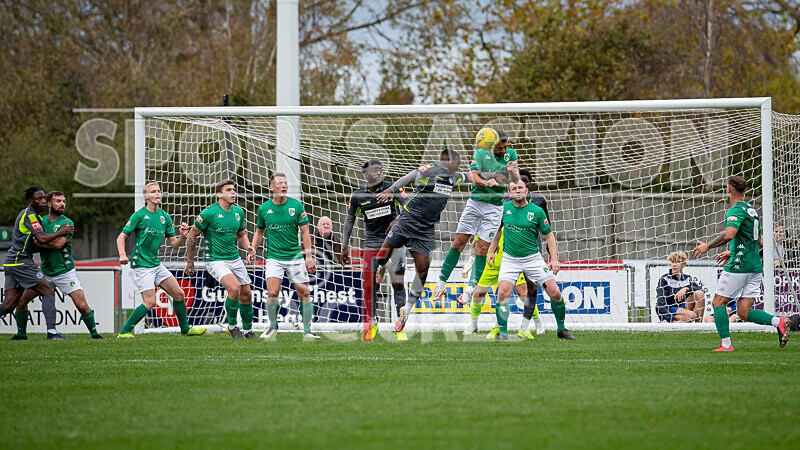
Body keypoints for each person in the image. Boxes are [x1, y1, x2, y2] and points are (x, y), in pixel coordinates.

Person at [374, 149, 470, 333]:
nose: (459, 166)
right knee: (381, 257)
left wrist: (490, 176)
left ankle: (406, 311)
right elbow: (408, 177)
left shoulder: (454, 177)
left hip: (426, 229)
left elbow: (469, 177)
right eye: (457, 163)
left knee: (423, 270)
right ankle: (383, 265)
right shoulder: (430, 170)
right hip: (408, 219)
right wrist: (391, 189)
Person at [692, 176, 791, 351]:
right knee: (744, 311)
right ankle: (779, 321)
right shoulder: (752, 210)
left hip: (739, 266)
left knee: (718, 303)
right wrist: (733, 250)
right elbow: (758, 240)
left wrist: (707, 246)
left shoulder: (735, 210)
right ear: (744, 191)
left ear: (728, 190)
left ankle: (726, 345)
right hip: (754, 266)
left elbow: (730, 234)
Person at [433, 128, 519, 305]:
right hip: (475, 203)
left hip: (495, 208)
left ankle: (469, 291)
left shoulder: (511, 154)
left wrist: (512, 170)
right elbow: (473, 175)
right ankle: (441, 283)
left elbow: (516, 180)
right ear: (491, 145)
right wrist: (486, 182)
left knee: (482, 249)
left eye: (506, 147)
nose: (503, 151)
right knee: (459, 242)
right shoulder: (480, 153)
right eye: (500, 148)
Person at [487, 180, 574, 340]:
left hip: (533, 259)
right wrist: (491, 251)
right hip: (510, 259)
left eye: (520, 188)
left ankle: (561, 329)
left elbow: (549, 235)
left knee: (554, 293)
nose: (517, 190)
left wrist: (554, 259)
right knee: (503, 293)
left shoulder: (537, 211)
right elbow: (496, 231)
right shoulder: (503, 209)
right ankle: (504, 333)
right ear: (510, 192)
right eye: (514, 188)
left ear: (526, 190)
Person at [117, 182, 206, 338]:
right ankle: (124, 332)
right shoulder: (139, 215)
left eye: (159, 191)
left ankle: (185, 330)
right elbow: (121, 237)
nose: (157, 194)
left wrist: (182, 236)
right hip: (142, 265)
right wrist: (122, 254)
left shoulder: (165, 217)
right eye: (153, 191)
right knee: (150, 302)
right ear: (146, 197)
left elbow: (174, 244)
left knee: (178, 294)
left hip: (155, 264)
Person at [465, 169, 546, 339]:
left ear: (527, 187)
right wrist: (478, 239)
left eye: (522, 185)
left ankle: (537, 323)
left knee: (523, 293)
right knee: (480, 293)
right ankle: (474, 325)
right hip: (495, 258)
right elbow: (491, 227)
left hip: (517, 257)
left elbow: (545, 229)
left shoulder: (537, 204)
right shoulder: (502, 206)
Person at [340, 159, 408, 341]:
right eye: (375, 170)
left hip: (394, 242)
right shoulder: (357, 196)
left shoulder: (393, 188)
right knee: (370, 285)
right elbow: (349, 221)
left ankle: (400, 328)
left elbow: (410, 207)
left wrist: (398, 220)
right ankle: (372, 323)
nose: (379, 173)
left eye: (381, 170)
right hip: (372, 244)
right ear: (366, 175)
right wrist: (344, 246)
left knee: (397, 283)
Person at [251, 173, 319, 340]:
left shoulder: (296, 206)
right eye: (280, 183)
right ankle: (272, 327)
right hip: (274, 257)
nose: (284, 186)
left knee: (304, 293)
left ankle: (308, 331)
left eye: (286, 183)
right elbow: (259, 232)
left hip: (295, 257)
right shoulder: (263, 209)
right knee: (273, 292)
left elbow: (305, 232)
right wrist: (252, 249)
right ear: (271, 187)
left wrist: (308, 257)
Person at [0, 187, 74, 340]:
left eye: (43, 199)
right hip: (21, 261)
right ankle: (52, 333)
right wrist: (61, 232)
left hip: (12, 262)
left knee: (8, 306)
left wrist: (54, 241)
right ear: (30, 201)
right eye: (38, 199)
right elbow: (40, 239)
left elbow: (34, 243)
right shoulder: (30, 216)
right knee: (47, 291)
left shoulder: (34, 217)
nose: (42, 201)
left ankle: (21, 336)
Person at [185, 179, 254, 339]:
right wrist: (190, 261)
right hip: (215, 259)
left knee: (246, 293)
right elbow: (192, 235)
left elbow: (241, 234)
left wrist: (248, 247)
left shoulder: (238, 212)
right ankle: (232, 327)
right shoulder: (209, 213)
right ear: (219, 194)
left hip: (234, 258)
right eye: (228, 190)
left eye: (234, 190)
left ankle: (248, 330)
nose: (233, 193)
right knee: (234, 288)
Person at [38, 191, 102, 339]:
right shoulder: (41, 221)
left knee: (82, 305)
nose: (62, 204)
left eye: (64, 201)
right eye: (58, 201)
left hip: (65, 271)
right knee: (22, 301)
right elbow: (35, 242)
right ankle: (21, 334)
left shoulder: (67, 223)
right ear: (49, 204)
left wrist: (41, 242)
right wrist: (43, 241)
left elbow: (58, 245)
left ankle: (95, 334)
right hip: (45, 270)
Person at [655, 251, 705, 323]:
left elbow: (700, 289)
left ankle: (698, 326)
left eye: (677, 262)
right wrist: (670, 318)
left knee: (699, 294)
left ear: (684, 264)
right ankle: (671, 321)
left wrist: (685, 289)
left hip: (684, 307)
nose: (674, 265)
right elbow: (661, 302)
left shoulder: (687, 278)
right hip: (670, 309)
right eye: (673, 262)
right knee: (692, 316)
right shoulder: (664, 279)